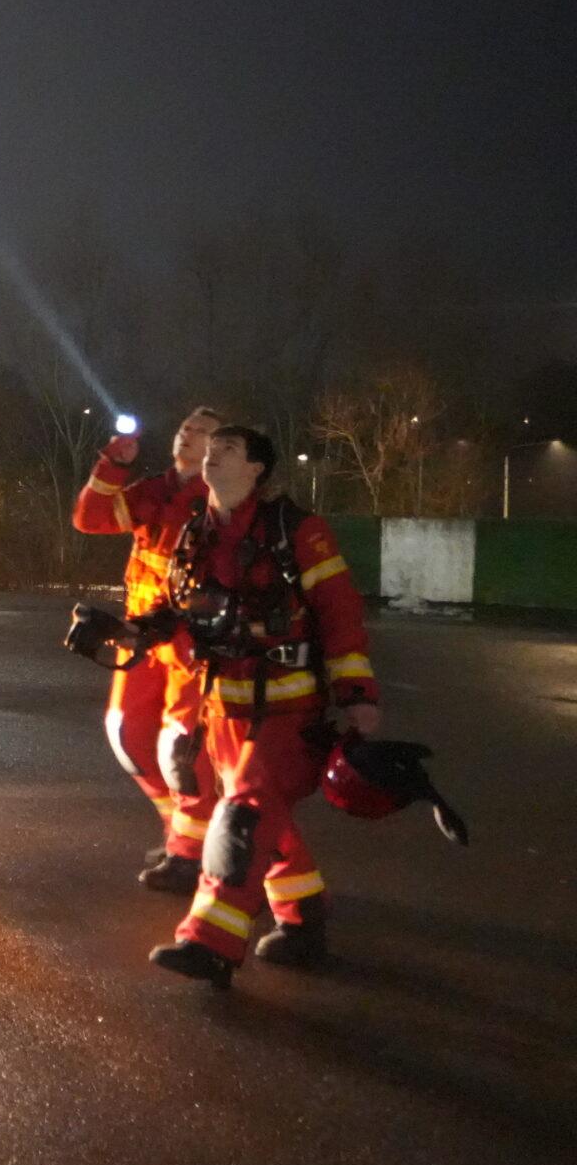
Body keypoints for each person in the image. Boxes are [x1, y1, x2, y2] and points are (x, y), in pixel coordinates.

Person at [148, 426, 379, 988]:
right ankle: (303, 921)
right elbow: (179, 609)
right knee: (263, 815)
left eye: (229, 449)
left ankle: (209, 943)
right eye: (212, 448)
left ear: (257, 469)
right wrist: (135, 630)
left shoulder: (297, 531)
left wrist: (357, 694)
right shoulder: (195, 533)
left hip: (287, 713)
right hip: (222, 711)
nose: (213, 454)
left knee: (243, 819)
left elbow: (340, 612)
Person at [71, 408, 222, 892]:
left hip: (189, 639)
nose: (188, 435)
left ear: (219, 448)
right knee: (128, 736)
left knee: (183, 747)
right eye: (184, 428)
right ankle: (180, 830)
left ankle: (190, 855)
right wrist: (114, 464)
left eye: (201, 432)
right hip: (141, 633)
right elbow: (89, 518)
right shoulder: (155, 489)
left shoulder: (221, 499)